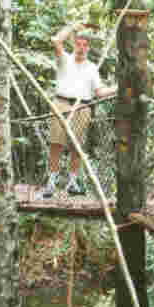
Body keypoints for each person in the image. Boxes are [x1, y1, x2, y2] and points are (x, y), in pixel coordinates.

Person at [41, 23, 117, 198]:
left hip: (82, 107)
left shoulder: (92, 68)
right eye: (78, 44)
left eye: (84, 45)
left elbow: (99, 92)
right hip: (61, 104)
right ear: (74, 44)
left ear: (88, 48)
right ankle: (51, 183)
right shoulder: (64, 59)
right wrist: (73, 27)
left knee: (77, 147)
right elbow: (56, 40)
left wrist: (119, 87)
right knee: (56, 144)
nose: (81, 48)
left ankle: (72, 183)